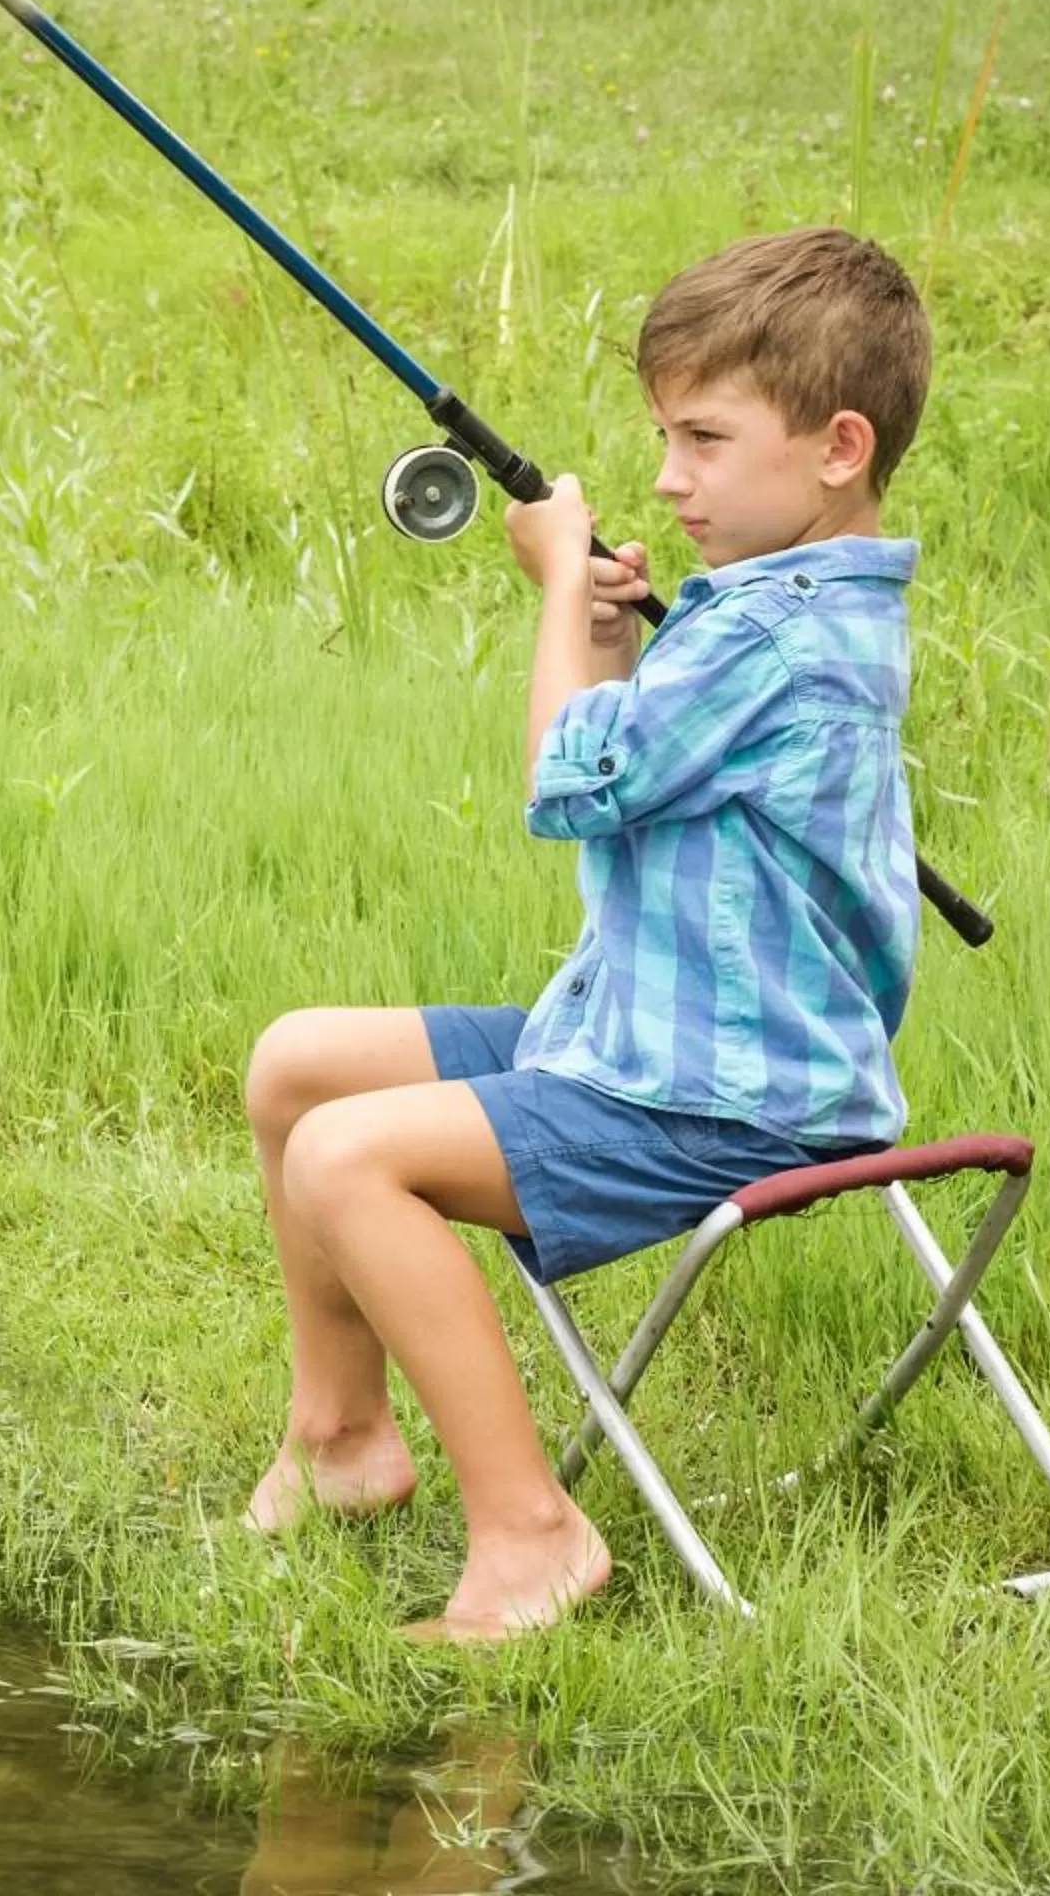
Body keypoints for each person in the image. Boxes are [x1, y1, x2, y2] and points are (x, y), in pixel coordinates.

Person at [239, 226, 933, 1642]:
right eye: (662, 437)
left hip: (722, 1099)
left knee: (345, 1154)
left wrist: (560, 589)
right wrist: (615, 644)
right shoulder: (773, 610)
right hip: (637, 1036)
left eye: (704, 438)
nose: (670, 477)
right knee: (298, 1066)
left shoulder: (778, 635)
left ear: (838, 445)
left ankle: (531, 1536)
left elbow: (571, 786)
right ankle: (343, 1442)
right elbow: (636, 775)